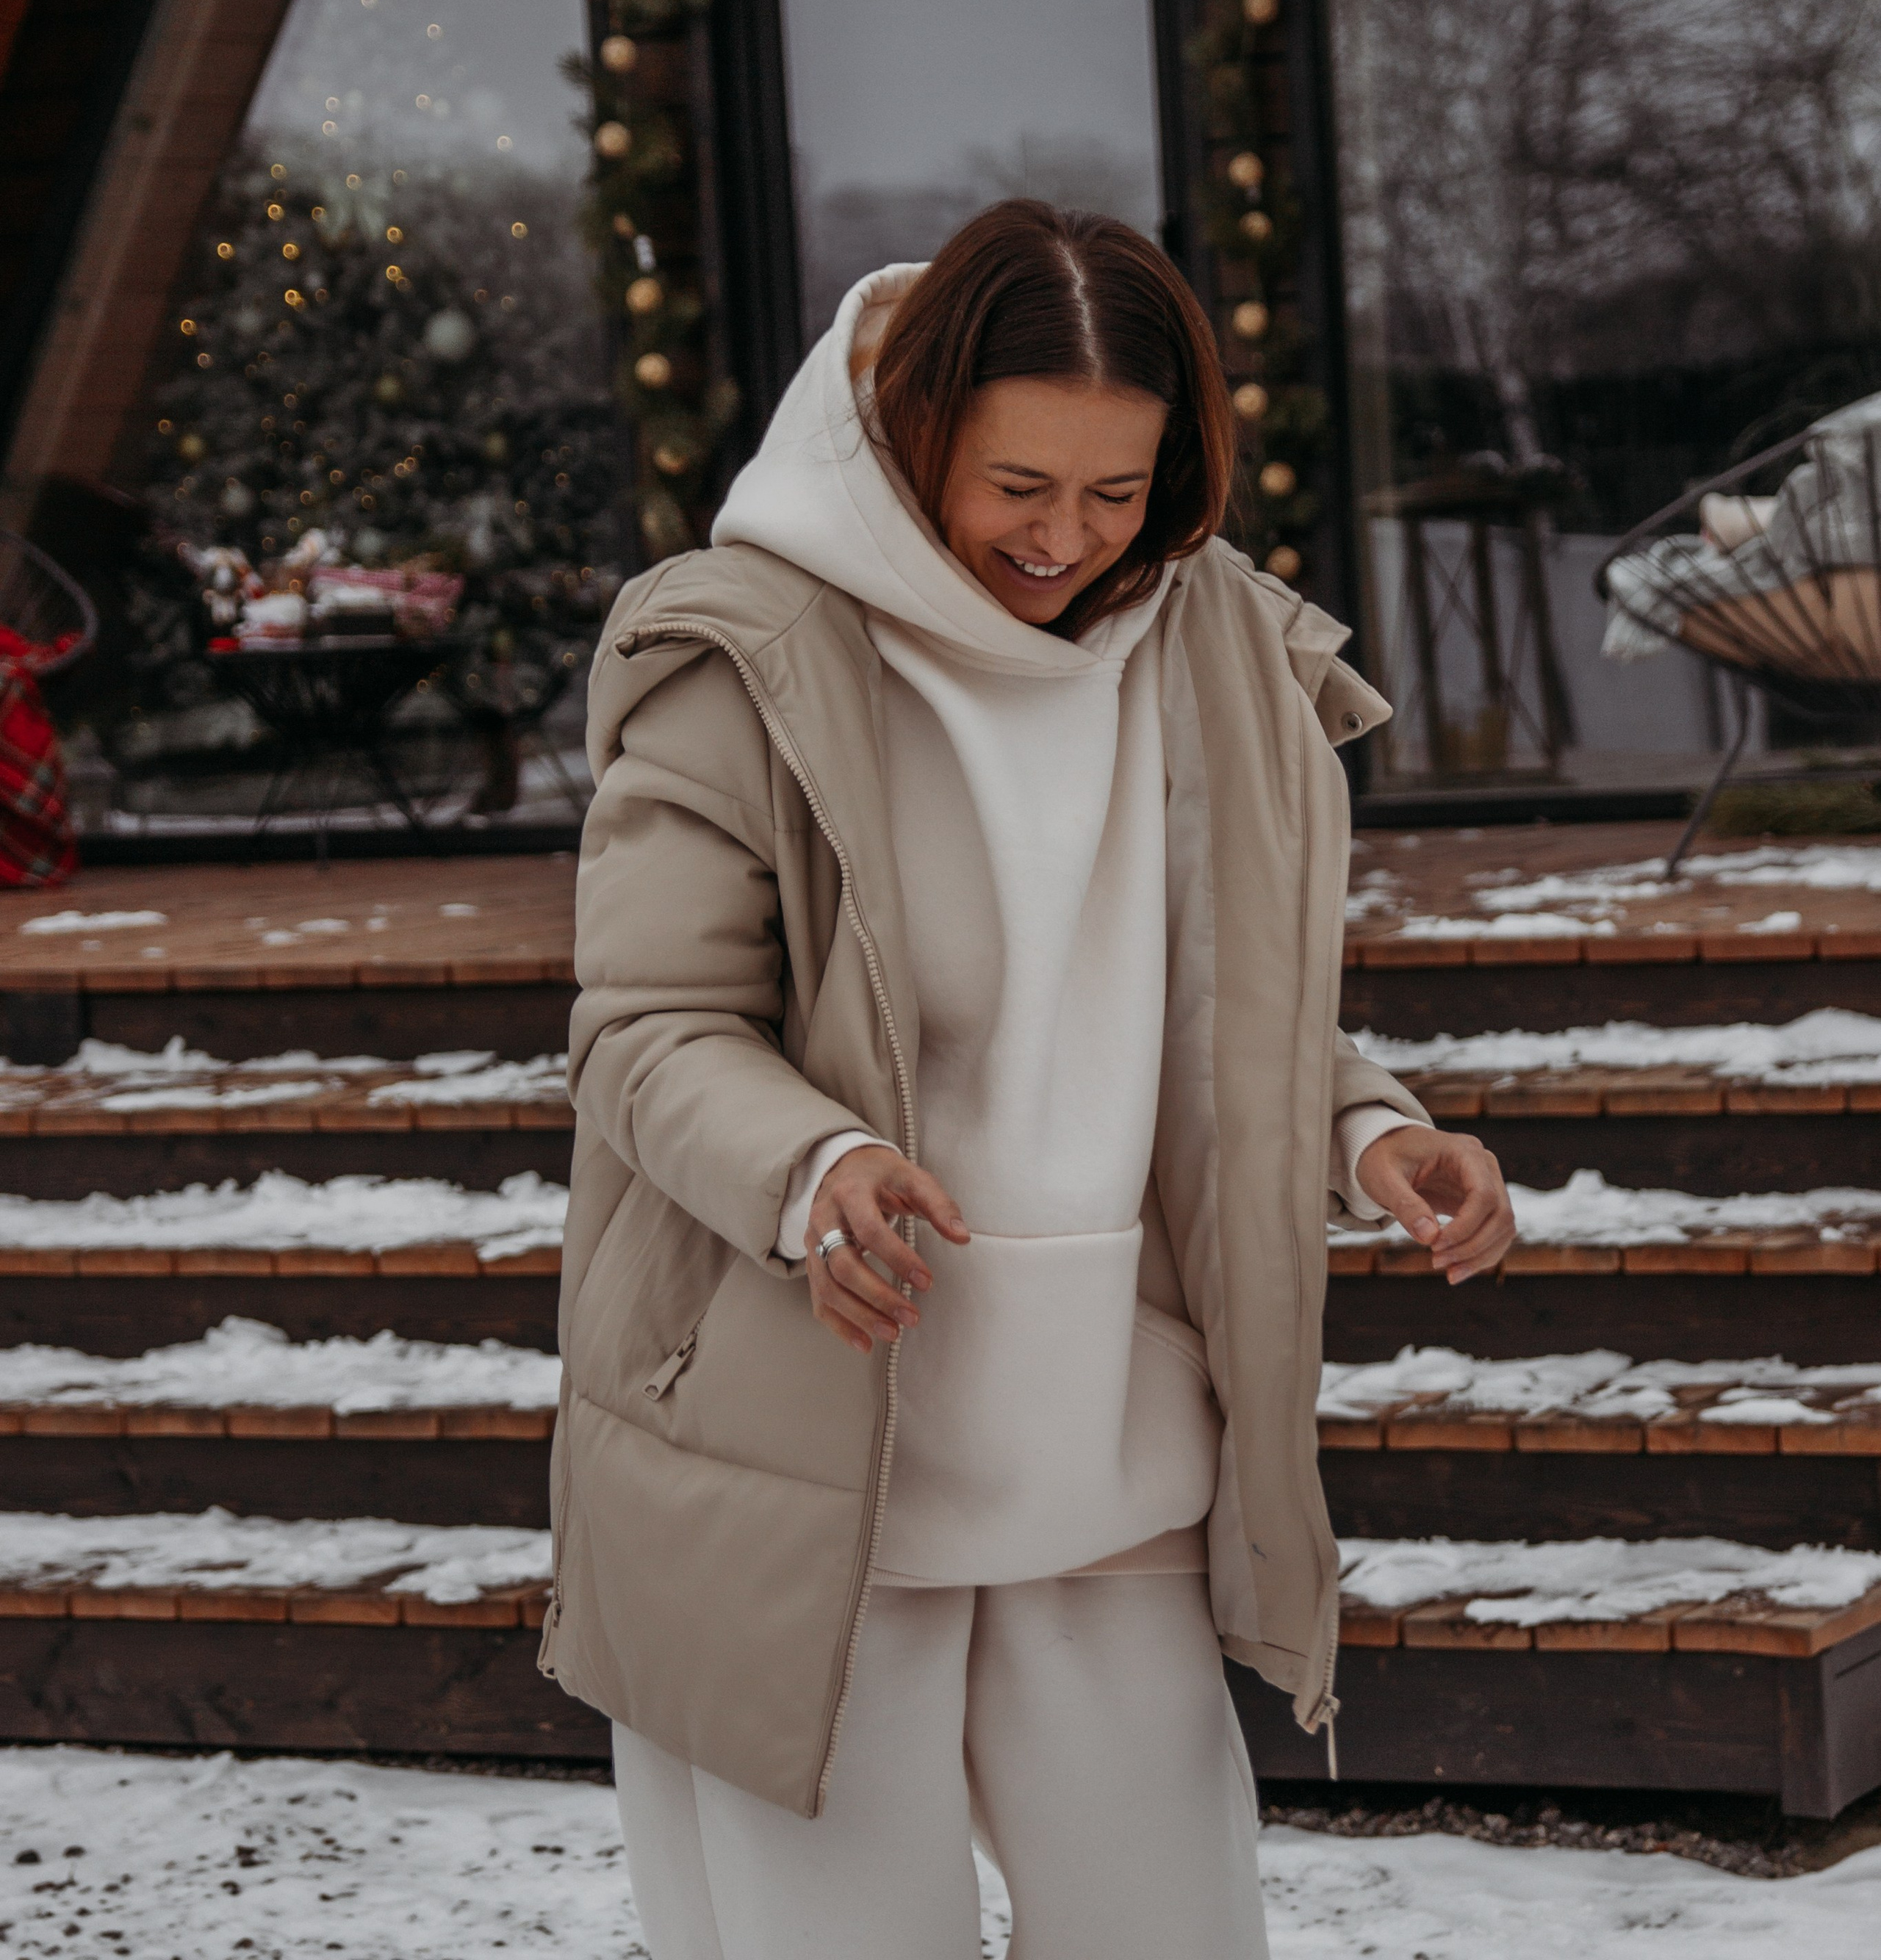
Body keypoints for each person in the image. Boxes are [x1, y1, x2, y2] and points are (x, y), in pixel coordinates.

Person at [542, 201, 1516, 1960]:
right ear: (914, 430)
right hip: (816, 1429)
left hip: (1105, 1433)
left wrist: (1365, 1128)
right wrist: (812, 1168)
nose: (1063, 539)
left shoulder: (1209, 645)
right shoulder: (744, 651)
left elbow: (1200, 997)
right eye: (1015, 486)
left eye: (1115, 492)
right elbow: (645, 1027)